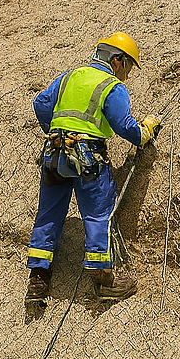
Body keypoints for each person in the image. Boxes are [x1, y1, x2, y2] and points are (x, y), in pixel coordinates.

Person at [25, 32, 161, 305]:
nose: (127, 75)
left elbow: (41, 103)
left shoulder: (69, 77)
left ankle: (38, 280)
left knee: (48, 214)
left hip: (54, 153)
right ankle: (103, 280)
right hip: (88, 158)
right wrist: (145, 131)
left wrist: (56, 130)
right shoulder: (112, 86)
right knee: (98, 213)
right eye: (128, 67)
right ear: (118, 60)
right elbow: (125, 127)